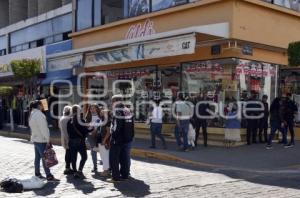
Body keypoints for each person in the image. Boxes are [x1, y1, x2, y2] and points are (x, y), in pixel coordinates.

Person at [28, 100, 56, 181]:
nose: (43, 106)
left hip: (36, 138)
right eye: (42, 105)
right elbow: (43, 129)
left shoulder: (32, 114)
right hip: (41, 139)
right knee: (45, 158)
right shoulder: (39, 115)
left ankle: (37, 173)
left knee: (37, 158)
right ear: (39, 105)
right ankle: (49, 175)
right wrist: (48, 139)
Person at [109, 95, 134, 182]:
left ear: (116, 101)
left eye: (112, 101)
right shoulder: (128, 110)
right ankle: (125, 175)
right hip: (127, 138)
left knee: (114, 158)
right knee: (124, 158)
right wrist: (130, 136)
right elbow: (131, 125)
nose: (111, 103)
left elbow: (117, 126)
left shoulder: (117, 111)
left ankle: (115, 177)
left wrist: (113, 136)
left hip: (118, 139)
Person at [67, 105, 91, 179]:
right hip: (80, 142)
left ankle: (74, 171)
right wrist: (91, 129)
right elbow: (85, 132)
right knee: (84, 157)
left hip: (71, 141)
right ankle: (79, 170)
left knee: (74, 157)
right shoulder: (81, 120)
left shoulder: (69, 120)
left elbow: (68, 132)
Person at [85, 104, 101, 173]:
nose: (92, 110)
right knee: (93, 151)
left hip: (99, 136)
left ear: (97, 109)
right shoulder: (88, 116)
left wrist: (96, 130)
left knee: (103, 152)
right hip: (90, 136)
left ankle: (107, 167)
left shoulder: (101, 116)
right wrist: (89, 128)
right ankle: (95, 167)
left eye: (94, 108)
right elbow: (86, 127)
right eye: (91, 108)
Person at [58, 105, 73, 175]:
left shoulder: (62, 118)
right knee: (69, 153)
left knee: (68, 152)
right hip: (68, 138)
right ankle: (68, 167)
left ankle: (68, 167)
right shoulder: (68, 119)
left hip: (63, 137)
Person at [97, 109, 111, 177]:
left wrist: (104, 140)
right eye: (101, 112)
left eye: (103, 112)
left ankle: (106, 171)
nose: (101, 113)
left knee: (105, 156)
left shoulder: (108, 121)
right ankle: (105, 170)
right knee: (103, 156)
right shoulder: (102, 120)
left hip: (105, 141)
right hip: (101, 140)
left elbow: (108, 132)